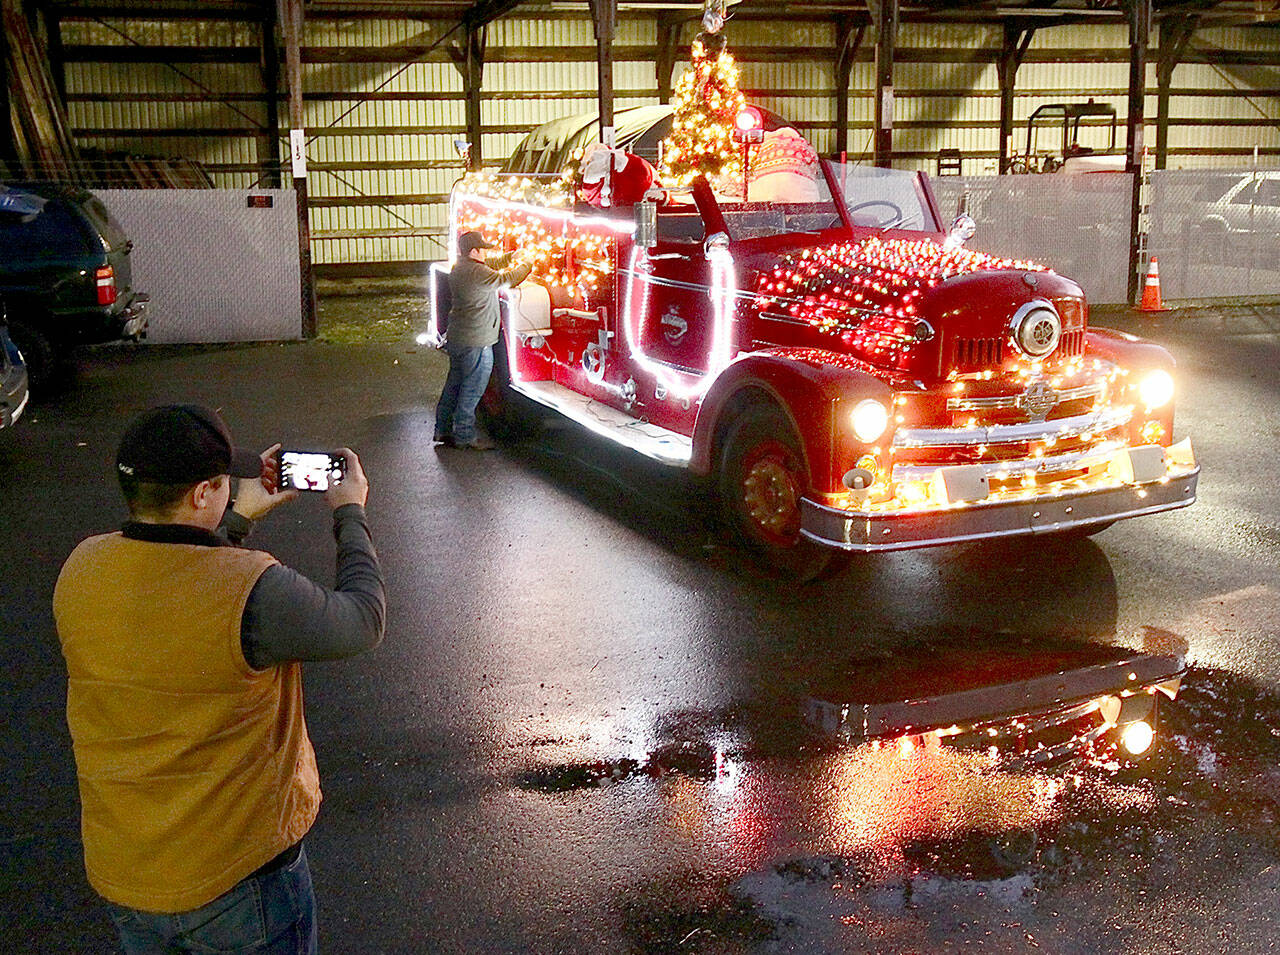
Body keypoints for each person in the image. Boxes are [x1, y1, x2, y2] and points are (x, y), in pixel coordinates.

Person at [52, 404, 386, 955]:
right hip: (237, 881)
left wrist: (239, 519)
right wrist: (349, 511)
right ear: (203, 494)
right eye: (223, 482)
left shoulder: (82, 566)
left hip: (127, 871)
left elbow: (178, 590)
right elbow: (362, 622)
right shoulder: (253, 587)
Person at [434, 230, 531, 451]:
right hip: (476, 342)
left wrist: (511, 256)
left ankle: (443, 429)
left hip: (460, 338)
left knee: (454, 385)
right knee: (473, 388)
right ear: (474, 251)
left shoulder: (461, 267)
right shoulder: (477, 273)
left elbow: (492, 264)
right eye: (483, 249)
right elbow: (507, 279)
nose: (486, 253)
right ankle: (465, 436)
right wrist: (526, 264)